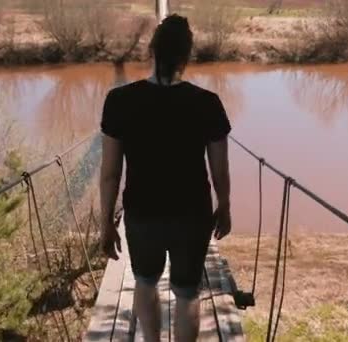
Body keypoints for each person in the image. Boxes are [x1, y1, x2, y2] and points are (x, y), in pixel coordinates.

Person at [99, 14, 232, 342]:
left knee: (145, 283)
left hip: (142, 214)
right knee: (187, 293)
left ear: (151, 52)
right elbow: (219, 170)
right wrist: (225, 205)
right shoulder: (208, 103)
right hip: (192, 215)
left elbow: (110, 173)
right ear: (186, 58)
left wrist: (105, 222)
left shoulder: (119, 101)